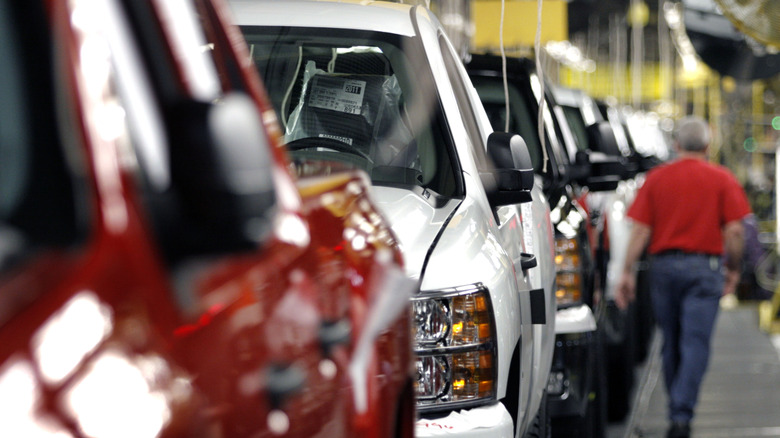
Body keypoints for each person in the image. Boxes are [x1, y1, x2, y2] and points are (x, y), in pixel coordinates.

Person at [616, 116, 750, 438]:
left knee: (671, 340)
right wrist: (733, 268)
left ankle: (678, 408)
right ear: (707, 146)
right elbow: (734, 230)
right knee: (695, 342)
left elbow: (640, 230)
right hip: (705, 270)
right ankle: (680, 414)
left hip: (663, 269)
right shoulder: (722, 179)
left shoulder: (657, 179)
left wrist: (626, 271)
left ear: (676, 145)